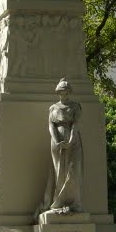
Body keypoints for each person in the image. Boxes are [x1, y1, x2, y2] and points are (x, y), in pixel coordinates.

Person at [42, 78, 84, 214]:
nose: (64, 95)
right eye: (61, 92)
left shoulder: (75, 106)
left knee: (73, 171)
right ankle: (58, 202)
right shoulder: (53, 108)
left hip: (73, 142)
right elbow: (50, 125)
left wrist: (71, 140)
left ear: (69, 92)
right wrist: (56, 141)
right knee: (59, 171)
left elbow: (75, 124)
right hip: (57, 143)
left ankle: (74, 203)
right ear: (58, 93)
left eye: (66, 92)